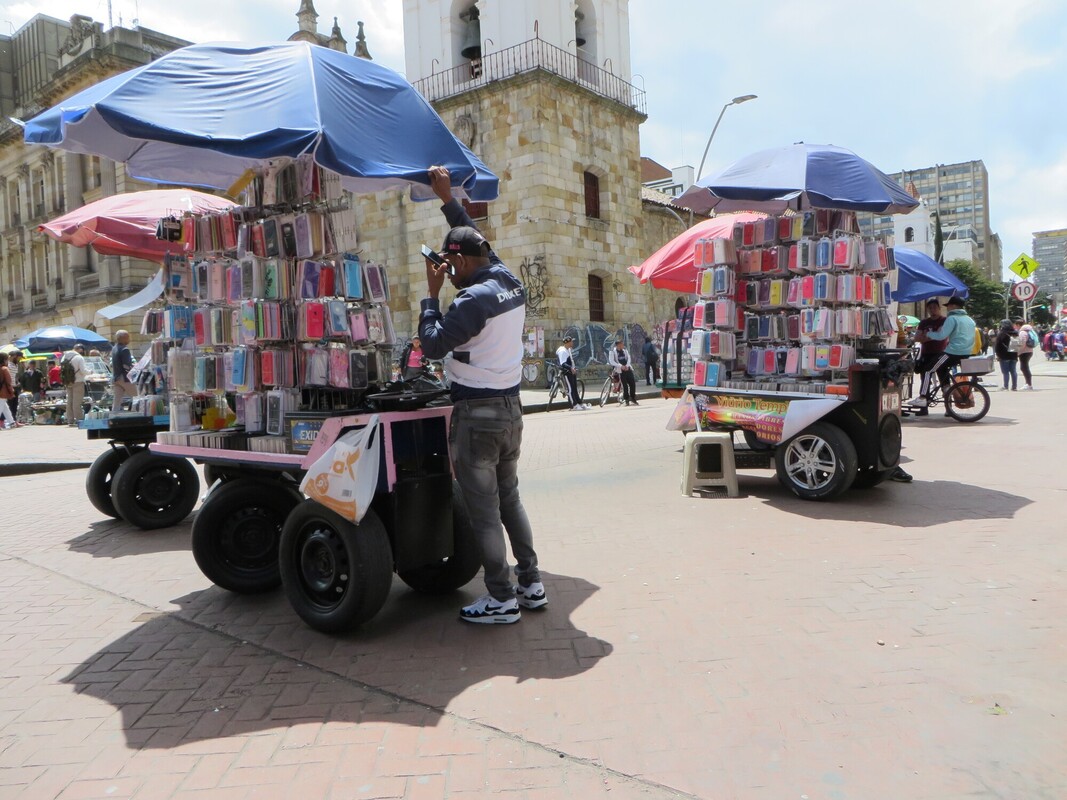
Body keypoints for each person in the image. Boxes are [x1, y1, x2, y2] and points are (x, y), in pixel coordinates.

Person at [418, 164, 544, 625]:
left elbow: (432, 345)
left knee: (485, 512)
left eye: (451, 266)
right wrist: (448, 199)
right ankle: (531, 584)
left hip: (477, 416)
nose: (448, 272)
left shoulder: (471, 301)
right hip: (511, 410)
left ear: (466, 263)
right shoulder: (507, 280)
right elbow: (474, 238)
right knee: (509, 499)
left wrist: (431, 296)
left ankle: (501, 598)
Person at [914, 296, 978, 414]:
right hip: (965, 353)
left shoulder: (951, 318)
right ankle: (948, 407)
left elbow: (941, 336)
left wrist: (929, 333)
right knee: (944, 377)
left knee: (928, 371)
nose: (947, 307)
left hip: (952, 352)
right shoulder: (969, 319)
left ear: (953, 306)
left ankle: (923, 398)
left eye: (948, 305)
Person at [906, 299, 947, 412]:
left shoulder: (944, 320)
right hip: (926, 353)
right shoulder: (924, 322)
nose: (932, 310)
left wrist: (926, 336)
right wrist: (930, 337)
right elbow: (917, 338)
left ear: (939, 308)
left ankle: (949, 408)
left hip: (940, 353)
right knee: (925, 379)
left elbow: (941, 335)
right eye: (930, 308)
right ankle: (923, 407)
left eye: (935, 307)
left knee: (944, 380)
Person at [555, 336, 588, 411]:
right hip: (567, 372)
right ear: (568, 343)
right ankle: (574, 405)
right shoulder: (563, 351)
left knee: (574, 388)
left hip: (571, 371)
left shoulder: (568, 349)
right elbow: (563, 363)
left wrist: (573, 368)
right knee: (570, 389)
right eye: (571, 342)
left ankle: (579, 403)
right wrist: (570, 368)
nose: (572, 343)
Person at [60, 344, 89, 425]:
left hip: (68, 381)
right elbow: (83, 371)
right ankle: (79, 419)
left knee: (69, 401)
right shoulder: (79, 357)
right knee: (77, 401)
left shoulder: (64, 357)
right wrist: (90, 372)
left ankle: (70, 420)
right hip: (78, 381)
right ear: (80, 349)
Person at [608, 338, 638, 405]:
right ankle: (626, 399)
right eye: (621, 344)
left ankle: (633, 397)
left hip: (627, 368)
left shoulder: (625, 351)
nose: (623, 345)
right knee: (624, 386)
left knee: (632, 383)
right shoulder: (612, 352)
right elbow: (612, 361)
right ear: (618, 345)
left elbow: (628, 358)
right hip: (620, 370)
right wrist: (621, 366)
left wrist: (627, 366)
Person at [111, 330, 136, 410]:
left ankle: (114, 416)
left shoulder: (114, 348)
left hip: (116, 377)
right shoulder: (125, 349)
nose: (129, 339)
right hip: (124, 377)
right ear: (124, 338)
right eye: (128, 337)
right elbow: (126, 365)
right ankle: (138, 414)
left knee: (117, 400)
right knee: (137, 397)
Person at [993, 319, 1018, 391]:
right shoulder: (1015, 333)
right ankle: (1014, 386)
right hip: (1013, 355)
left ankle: (1006, 386)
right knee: (1013, 371)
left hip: (1004, 355)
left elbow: (997, 346)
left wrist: (998, 355)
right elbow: (1017, 344)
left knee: (1005, 372)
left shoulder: (1001, 333)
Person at [1016, 321, 1037, 390]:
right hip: (1029, 351)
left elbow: (1022, 343)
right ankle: (1028, 384)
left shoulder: (1022, 332)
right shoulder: (1029, 331)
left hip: (1024, 352)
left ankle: (1028, 384)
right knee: (1025, 367)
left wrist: (1017, 351)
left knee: (1024, 367)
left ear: (1018, 325)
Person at [0, 353, 19, 429]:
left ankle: (11, 422)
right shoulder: (4, 369)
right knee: (1, 407)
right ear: (4, 360)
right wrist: (11, 391)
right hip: (3, 391)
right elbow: (8, 382)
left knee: (5, 407)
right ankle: (12, 423)